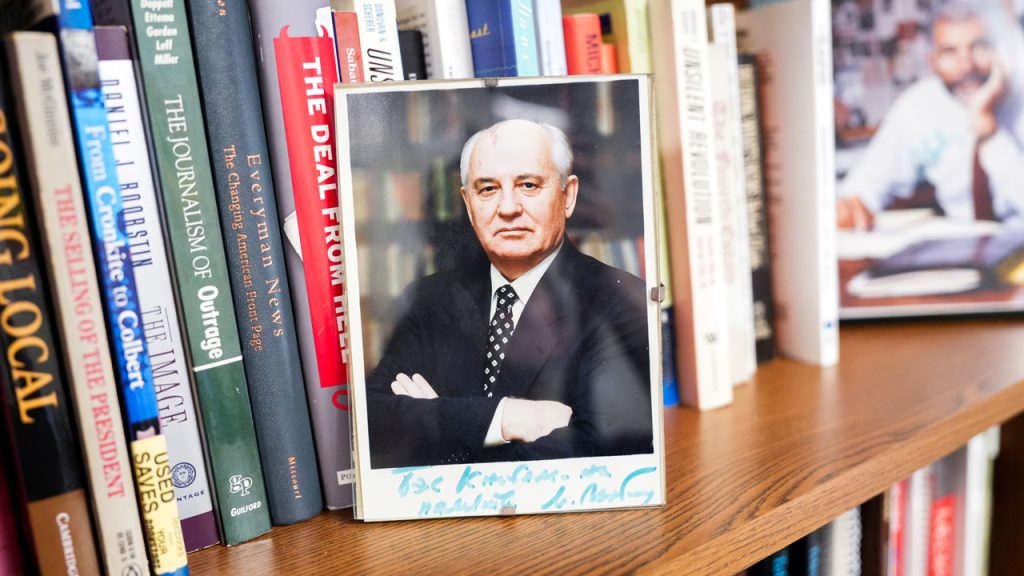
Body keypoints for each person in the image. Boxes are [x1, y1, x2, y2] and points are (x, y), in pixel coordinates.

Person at [365, 119, 653, 468]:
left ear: (568, 195)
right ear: (468, 206)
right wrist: (505, 418)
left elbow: (594, 455)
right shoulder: (429, 298)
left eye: (528, 185)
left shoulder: (620, 301)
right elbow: (373, 421)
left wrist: (436, 423)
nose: (508, 208)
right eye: (487, 189)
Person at [836, 2, 1024, 229]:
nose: (966, 65)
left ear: (1002, 50)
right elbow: (867, 183)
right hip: (964, 251)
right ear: (932, 60)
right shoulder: (918, 106)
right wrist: (851, 204)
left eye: (979, 46)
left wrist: (987, 127)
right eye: (949, 52)